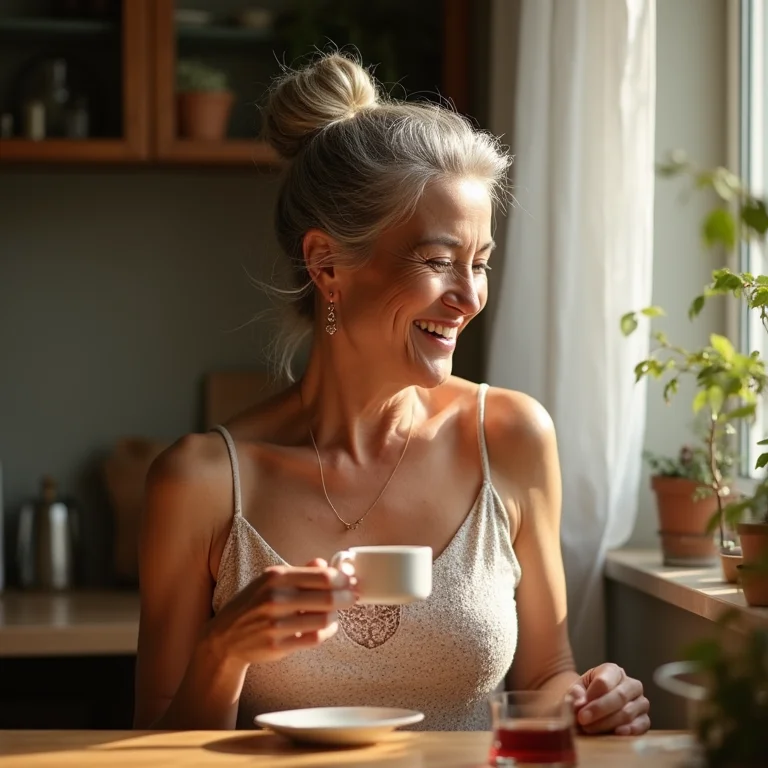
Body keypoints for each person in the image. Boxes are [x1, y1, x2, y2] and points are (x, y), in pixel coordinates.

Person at [133, 52, 650, 734]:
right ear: (327, 264)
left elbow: (546, 674)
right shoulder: (200, 482)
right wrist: (223, 651)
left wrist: (592, 700)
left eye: (480, 264)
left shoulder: (512, 437)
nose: (469, 298)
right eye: (438, 262)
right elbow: (155, 740)